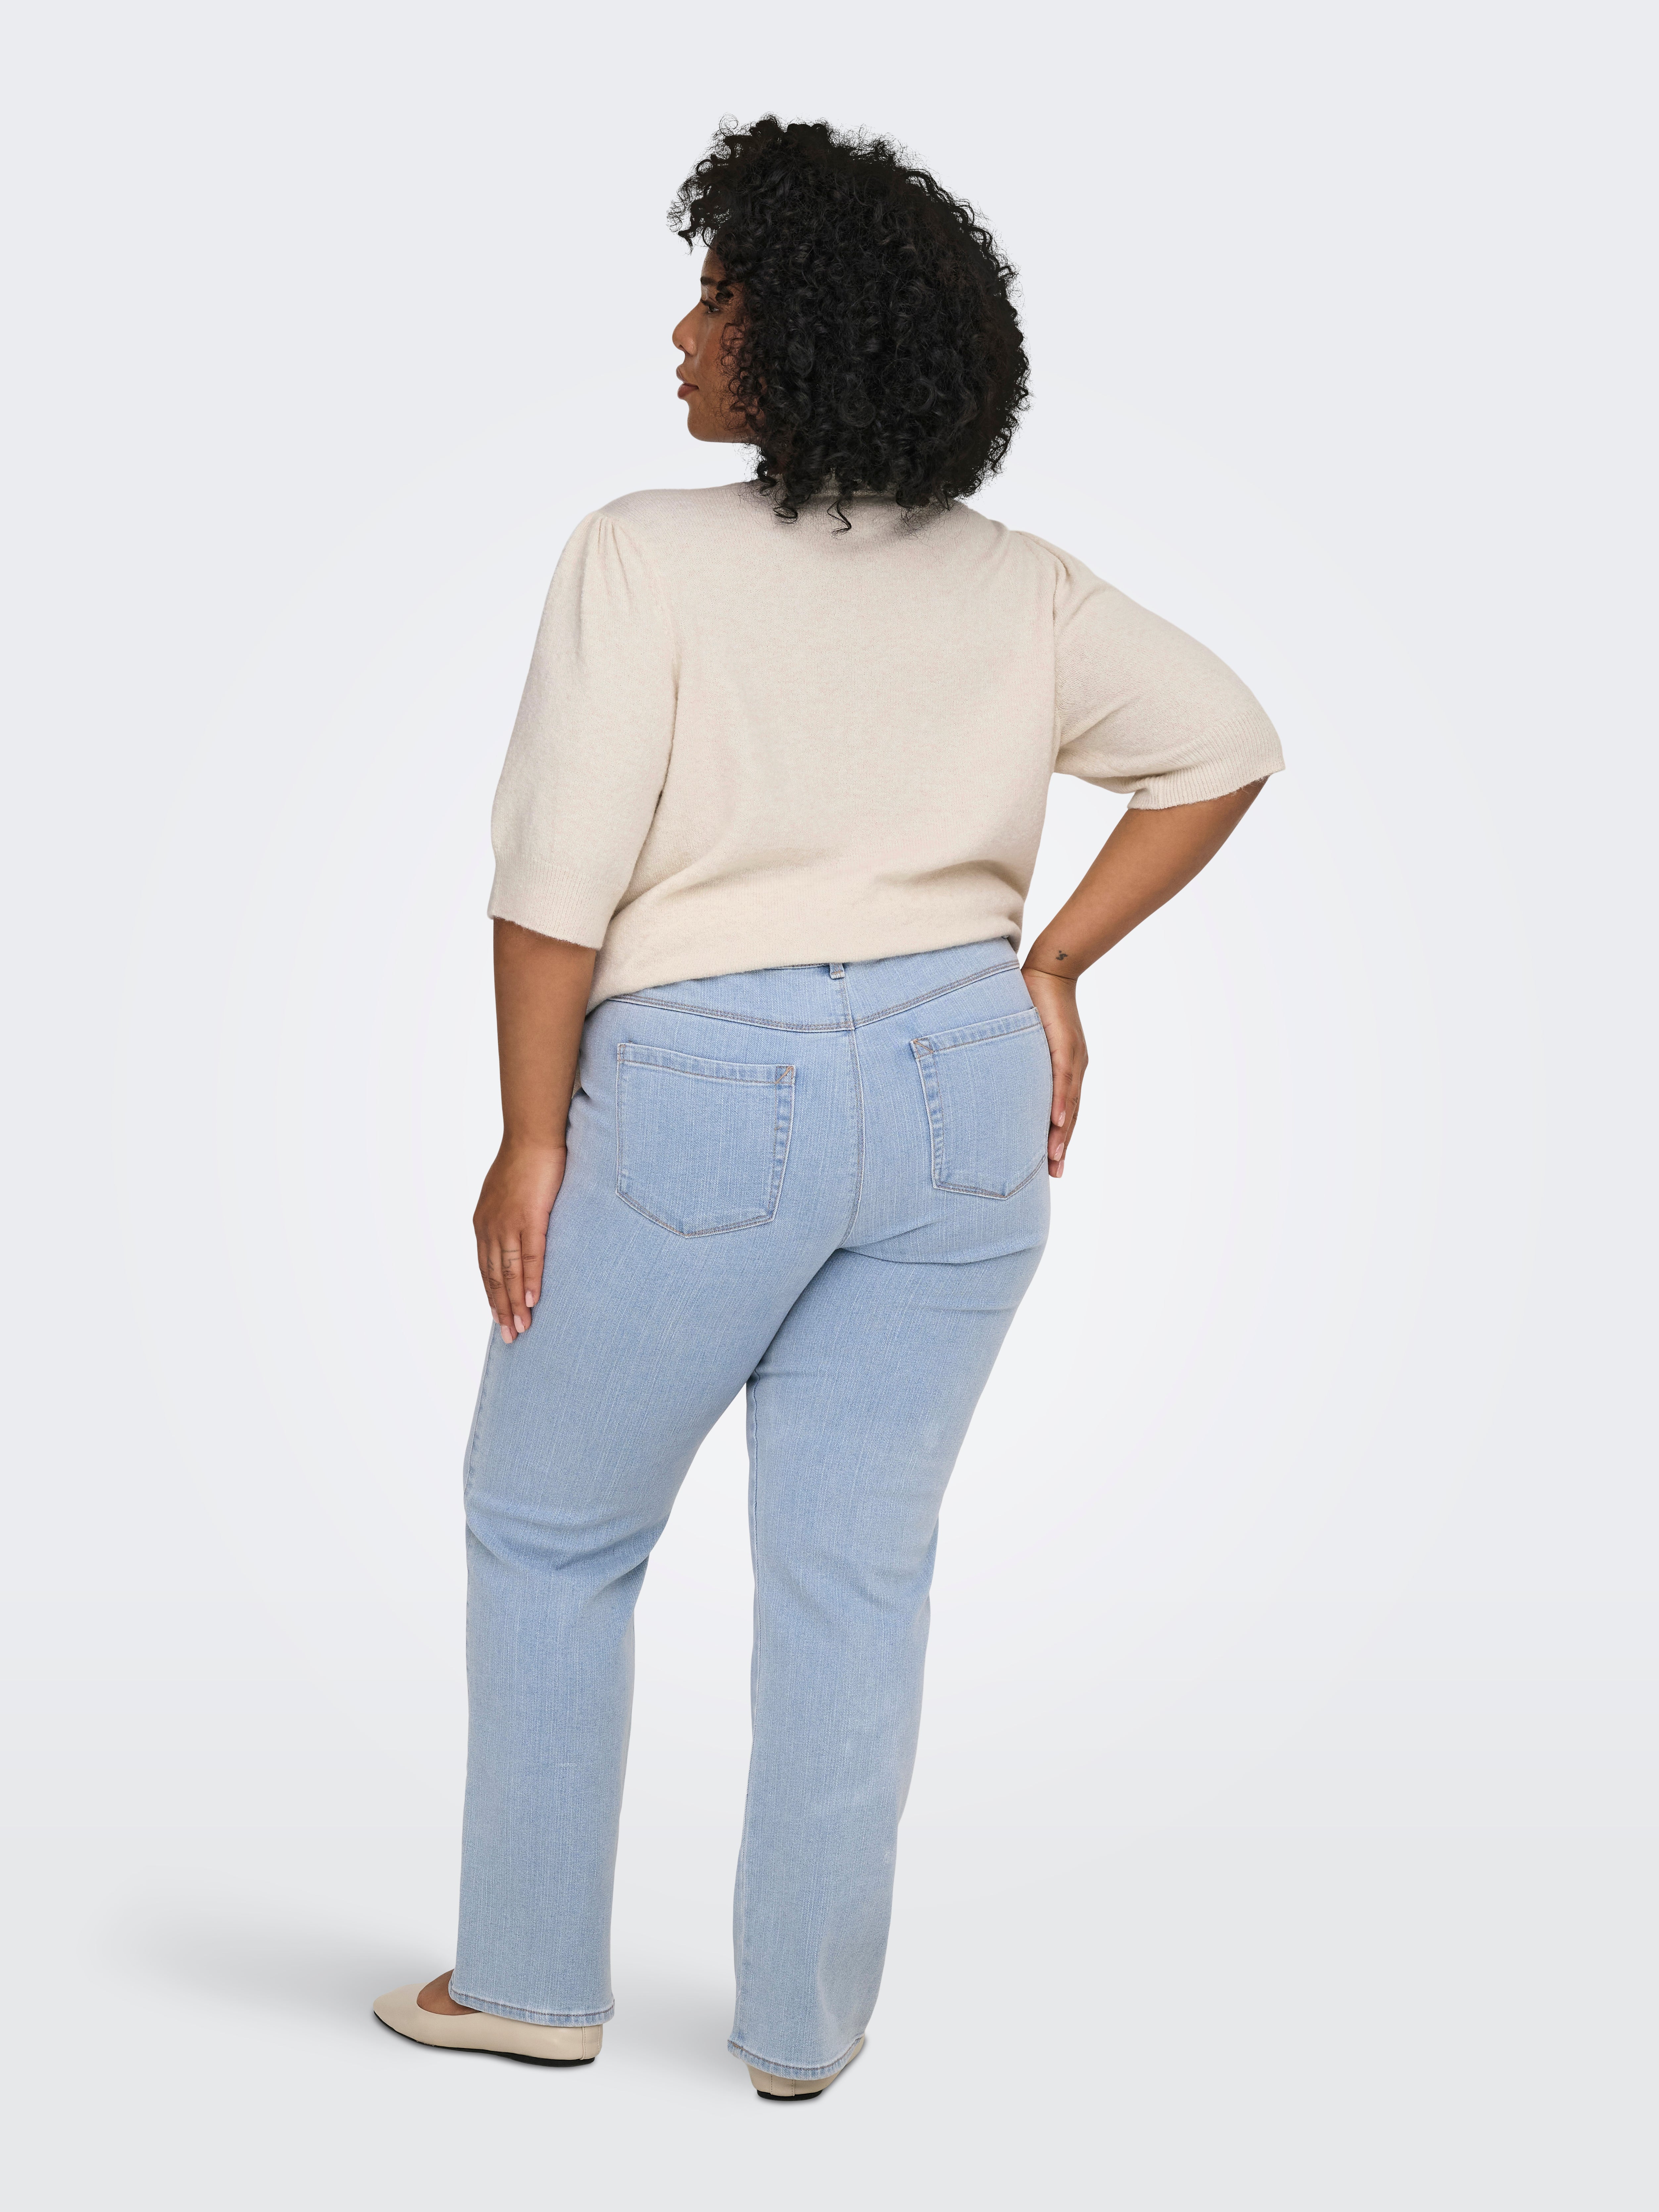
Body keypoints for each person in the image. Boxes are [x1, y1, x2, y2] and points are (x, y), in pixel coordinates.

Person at [374, 116, 1283, 2096]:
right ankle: (801, 2030)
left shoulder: (642, 551)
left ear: (797, 338)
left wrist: (533, 1135)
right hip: (965, 1084)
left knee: (552, 1532)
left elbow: (556, 879)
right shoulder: (1021, 586)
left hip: (706, 1084)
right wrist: (1051, 966)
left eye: (714, 297)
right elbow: (1222, 742)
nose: (680, 333)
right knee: (853, 1573)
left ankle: (528, 1981)